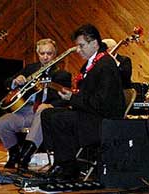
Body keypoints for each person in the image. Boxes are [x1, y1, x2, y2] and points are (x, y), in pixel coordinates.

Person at [41, 24, 126, 180]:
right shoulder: (90, 64)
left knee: (59, 119)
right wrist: (71, 96)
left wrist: (72, 98)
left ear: (94, 43)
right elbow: (87, 96)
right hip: (90, 114)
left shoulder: (106, 65)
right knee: (47, 114)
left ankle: (68, 166)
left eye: (81, 46)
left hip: (103, 121)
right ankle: (61, 160)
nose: (78, 50)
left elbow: (102, 103)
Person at [0, 38, 71, 169]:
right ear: (38, 54)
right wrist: (15, 80)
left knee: (42, 111)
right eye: (42, 54)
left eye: (49, 53)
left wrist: (50, 106)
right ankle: (14, 154)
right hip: (25, 111)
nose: (46, 57)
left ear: (55, 55)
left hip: (44, 112)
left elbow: (64, 99)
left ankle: (26, 156)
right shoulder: (30, 69)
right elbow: (7, 82)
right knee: (2, 122)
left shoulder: (62, 75)